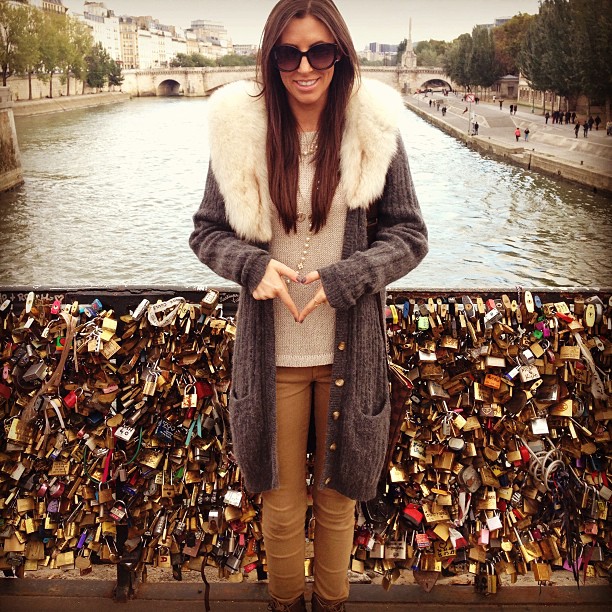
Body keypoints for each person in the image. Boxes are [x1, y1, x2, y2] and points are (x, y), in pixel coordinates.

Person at [189, 2, 429, 611]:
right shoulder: (241, 132)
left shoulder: (372, 130)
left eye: (319, 51)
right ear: (271, 58)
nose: (304, 66)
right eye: (289, 52)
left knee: (339, 499)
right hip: (272, 354)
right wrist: (250, 267)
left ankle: (330, 602)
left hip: (350, 348)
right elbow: (207, 232)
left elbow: (409, 235)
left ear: (340, 56)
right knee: (280, 503)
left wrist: (346, 278)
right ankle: (286, 602)